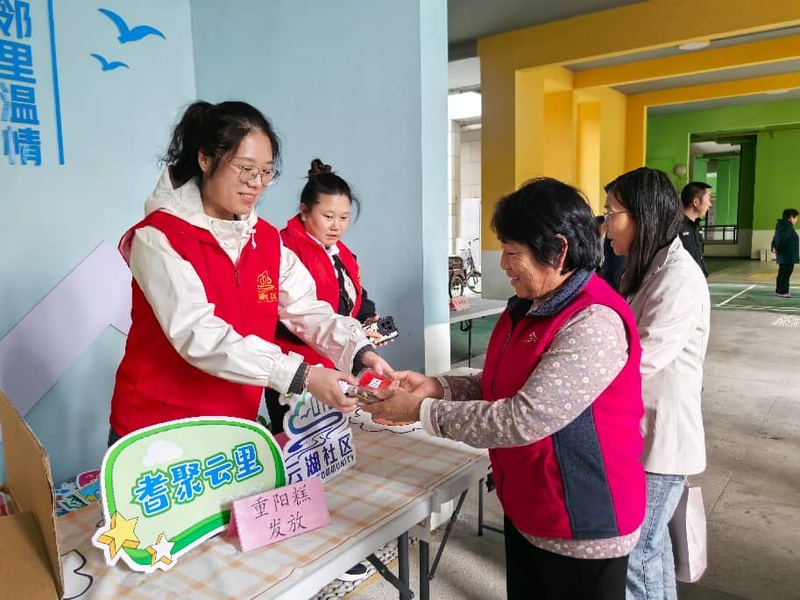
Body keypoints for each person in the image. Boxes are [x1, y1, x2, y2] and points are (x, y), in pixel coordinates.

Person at [367, 177, 647, 600]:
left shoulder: (592, 321)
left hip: (582, 520)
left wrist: (419, 412)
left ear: (558, 250)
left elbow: (523, 417)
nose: (502, 264)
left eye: (513, 253)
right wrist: (437, 387)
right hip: (532, 507)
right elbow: (500, 383)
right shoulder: (529, 306)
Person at [109, 101, 389, 444]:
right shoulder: (159, 238)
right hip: (160, 427)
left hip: (234, 423)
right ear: (205, 159)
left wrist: (359, 351)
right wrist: (302, 375)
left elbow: (305, 307)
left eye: (266, 172)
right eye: (245, 169)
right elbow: (198, 334)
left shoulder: (265, 240)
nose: (256, 183)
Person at [603, 168, 709, 600]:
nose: (605, 225)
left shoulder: (677, 278)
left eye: (611, 213)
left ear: (641, 215)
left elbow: (638, 360)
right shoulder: (649, 267)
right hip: (643, 433)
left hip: (662, 441)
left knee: (635, 552)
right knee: (653, 547)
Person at [265, 158, 385, 436]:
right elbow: (293, 313)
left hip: (335, 363)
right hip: (295, 369)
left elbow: (355, 293)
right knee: (298, 443)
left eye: (344, 218)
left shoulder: (342, 253)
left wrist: (367, 319)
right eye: (328, 217)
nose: (336, 226)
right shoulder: (283, 250)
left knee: (333, 440)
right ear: (304, 211)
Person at [678, 181, 712, 277]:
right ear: (696, 202)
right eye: (708, 199)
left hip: (698, 279)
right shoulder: (676, 227)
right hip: (684, 281)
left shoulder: (696, 226)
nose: (710, 204)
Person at [771, 208, 799, 298]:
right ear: (791, 217)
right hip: (787, 255)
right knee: (786, 273)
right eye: (796, 217)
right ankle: (782, 291)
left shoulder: (782, 225)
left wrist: (774, 246)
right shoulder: (787, 227)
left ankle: (779, 290)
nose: (796, 220)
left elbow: (776, 237)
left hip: (784, 254)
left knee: (782, 272)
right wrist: (778, 248)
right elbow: (783, 239)